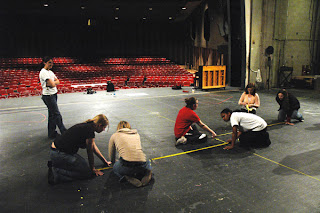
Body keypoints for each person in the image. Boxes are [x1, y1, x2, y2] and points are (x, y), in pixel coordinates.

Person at [48, 114, 111, 185]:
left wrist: (104, 161)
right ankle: (57, 173)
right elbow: (89, 152)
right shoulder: (89, 131)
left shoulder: (87, 125)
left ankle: (58, 164)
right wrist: (92, 169)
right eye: (104, 128)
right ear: (99, 125)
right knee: (86, 174)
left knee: (81, 166)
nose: (104, 130)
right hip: (60, 154)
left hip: (56, 151)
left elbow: (93, 147)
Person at [109, 121, 152, 187]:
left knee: (115, 168)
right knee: (147, 161)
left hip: (127, 164)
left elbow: (111, 155)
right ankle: (147, 173)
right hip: (142, 164)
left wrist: (113, 163)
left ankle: (127, 177)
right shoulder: (136, 134)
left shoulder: (114, 136)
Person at [39, 56, 67, 139]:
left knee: (52, 115)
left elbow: (57, 81)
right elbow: (52, 84)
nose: (51, 64)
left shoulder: (50, 72)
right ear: (44, 62)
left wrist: (52, 83)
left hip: (53, 94)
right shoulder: (43, 72)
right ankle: (64, 132)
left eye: (52, 63)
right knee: (56, 114)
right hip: (48, 96)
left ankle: (51, 133)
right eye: (49, 62)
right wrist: (52, 83)